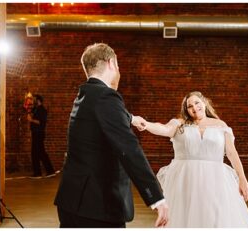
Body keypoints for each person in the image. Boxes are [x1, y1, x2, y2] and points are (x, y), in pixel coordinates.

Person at [54, 43, 168, 228]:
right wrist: (156, 198)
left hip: (72, 200)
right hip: (97, 206)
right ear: (111, 63)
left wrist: (130, 118)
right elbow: (129, 150)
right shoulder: (106, 96)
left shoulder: (85, 94)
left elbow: (101, 116)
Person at [134, 91, 248, 228]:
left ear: (204, 103)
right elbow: (164, 129)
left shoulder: (220, 125)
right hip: (186, 179)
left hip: (215, 181)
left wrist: (242, 179)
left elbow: (232, 153)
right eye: (189, 106)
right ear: (186, 110)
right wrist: (146, 124)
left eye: (197, 103)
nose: (194, 107)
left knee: (214, 218)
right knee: (185, 217)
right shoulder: (180, 124)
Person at [28, 94, 56, 178]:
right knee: (36, 153)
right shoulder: (36, 109)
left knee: (40, 152)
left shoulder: (42, 110)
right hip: (35, 133)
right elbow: (28, 110)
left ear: (38, 100)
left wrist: (31, 120)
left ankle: (48, 171)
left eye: (34, 99)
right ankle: (39, 173)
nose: (33, 101)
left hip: (39, 133)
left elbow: (40, 122)